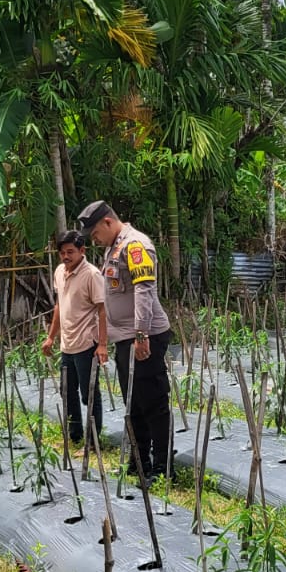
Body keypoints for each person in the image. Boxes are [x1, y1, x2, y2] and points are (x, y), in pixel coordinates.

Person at [77, 200, 173, 480]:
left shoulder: (135, 245)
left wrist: (141, 334)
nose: (94, 240)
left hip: (145, 337)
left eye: (95, 233)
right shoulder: (113, 247)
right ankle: (140, 461)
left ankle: (162, 467)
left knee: (153, 404)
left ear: (108, 222)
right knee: (134, 403)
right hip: (125, 339)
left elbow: (144, 290)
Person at [41, 230, 108, 449]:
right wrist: (51, 337)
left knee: (89, 393)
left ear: (82, 251)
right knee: (67, 391)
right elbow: (59, 305)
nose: (66, 256)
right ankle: (75, 435)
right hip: (67, 344)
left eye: (71, 251)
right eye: (62, 252)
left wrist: (102, 344)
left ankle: (93, 440)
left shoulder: (92, 275)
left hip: (86, 344)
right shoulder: (60, 272)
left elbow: (102, 310)